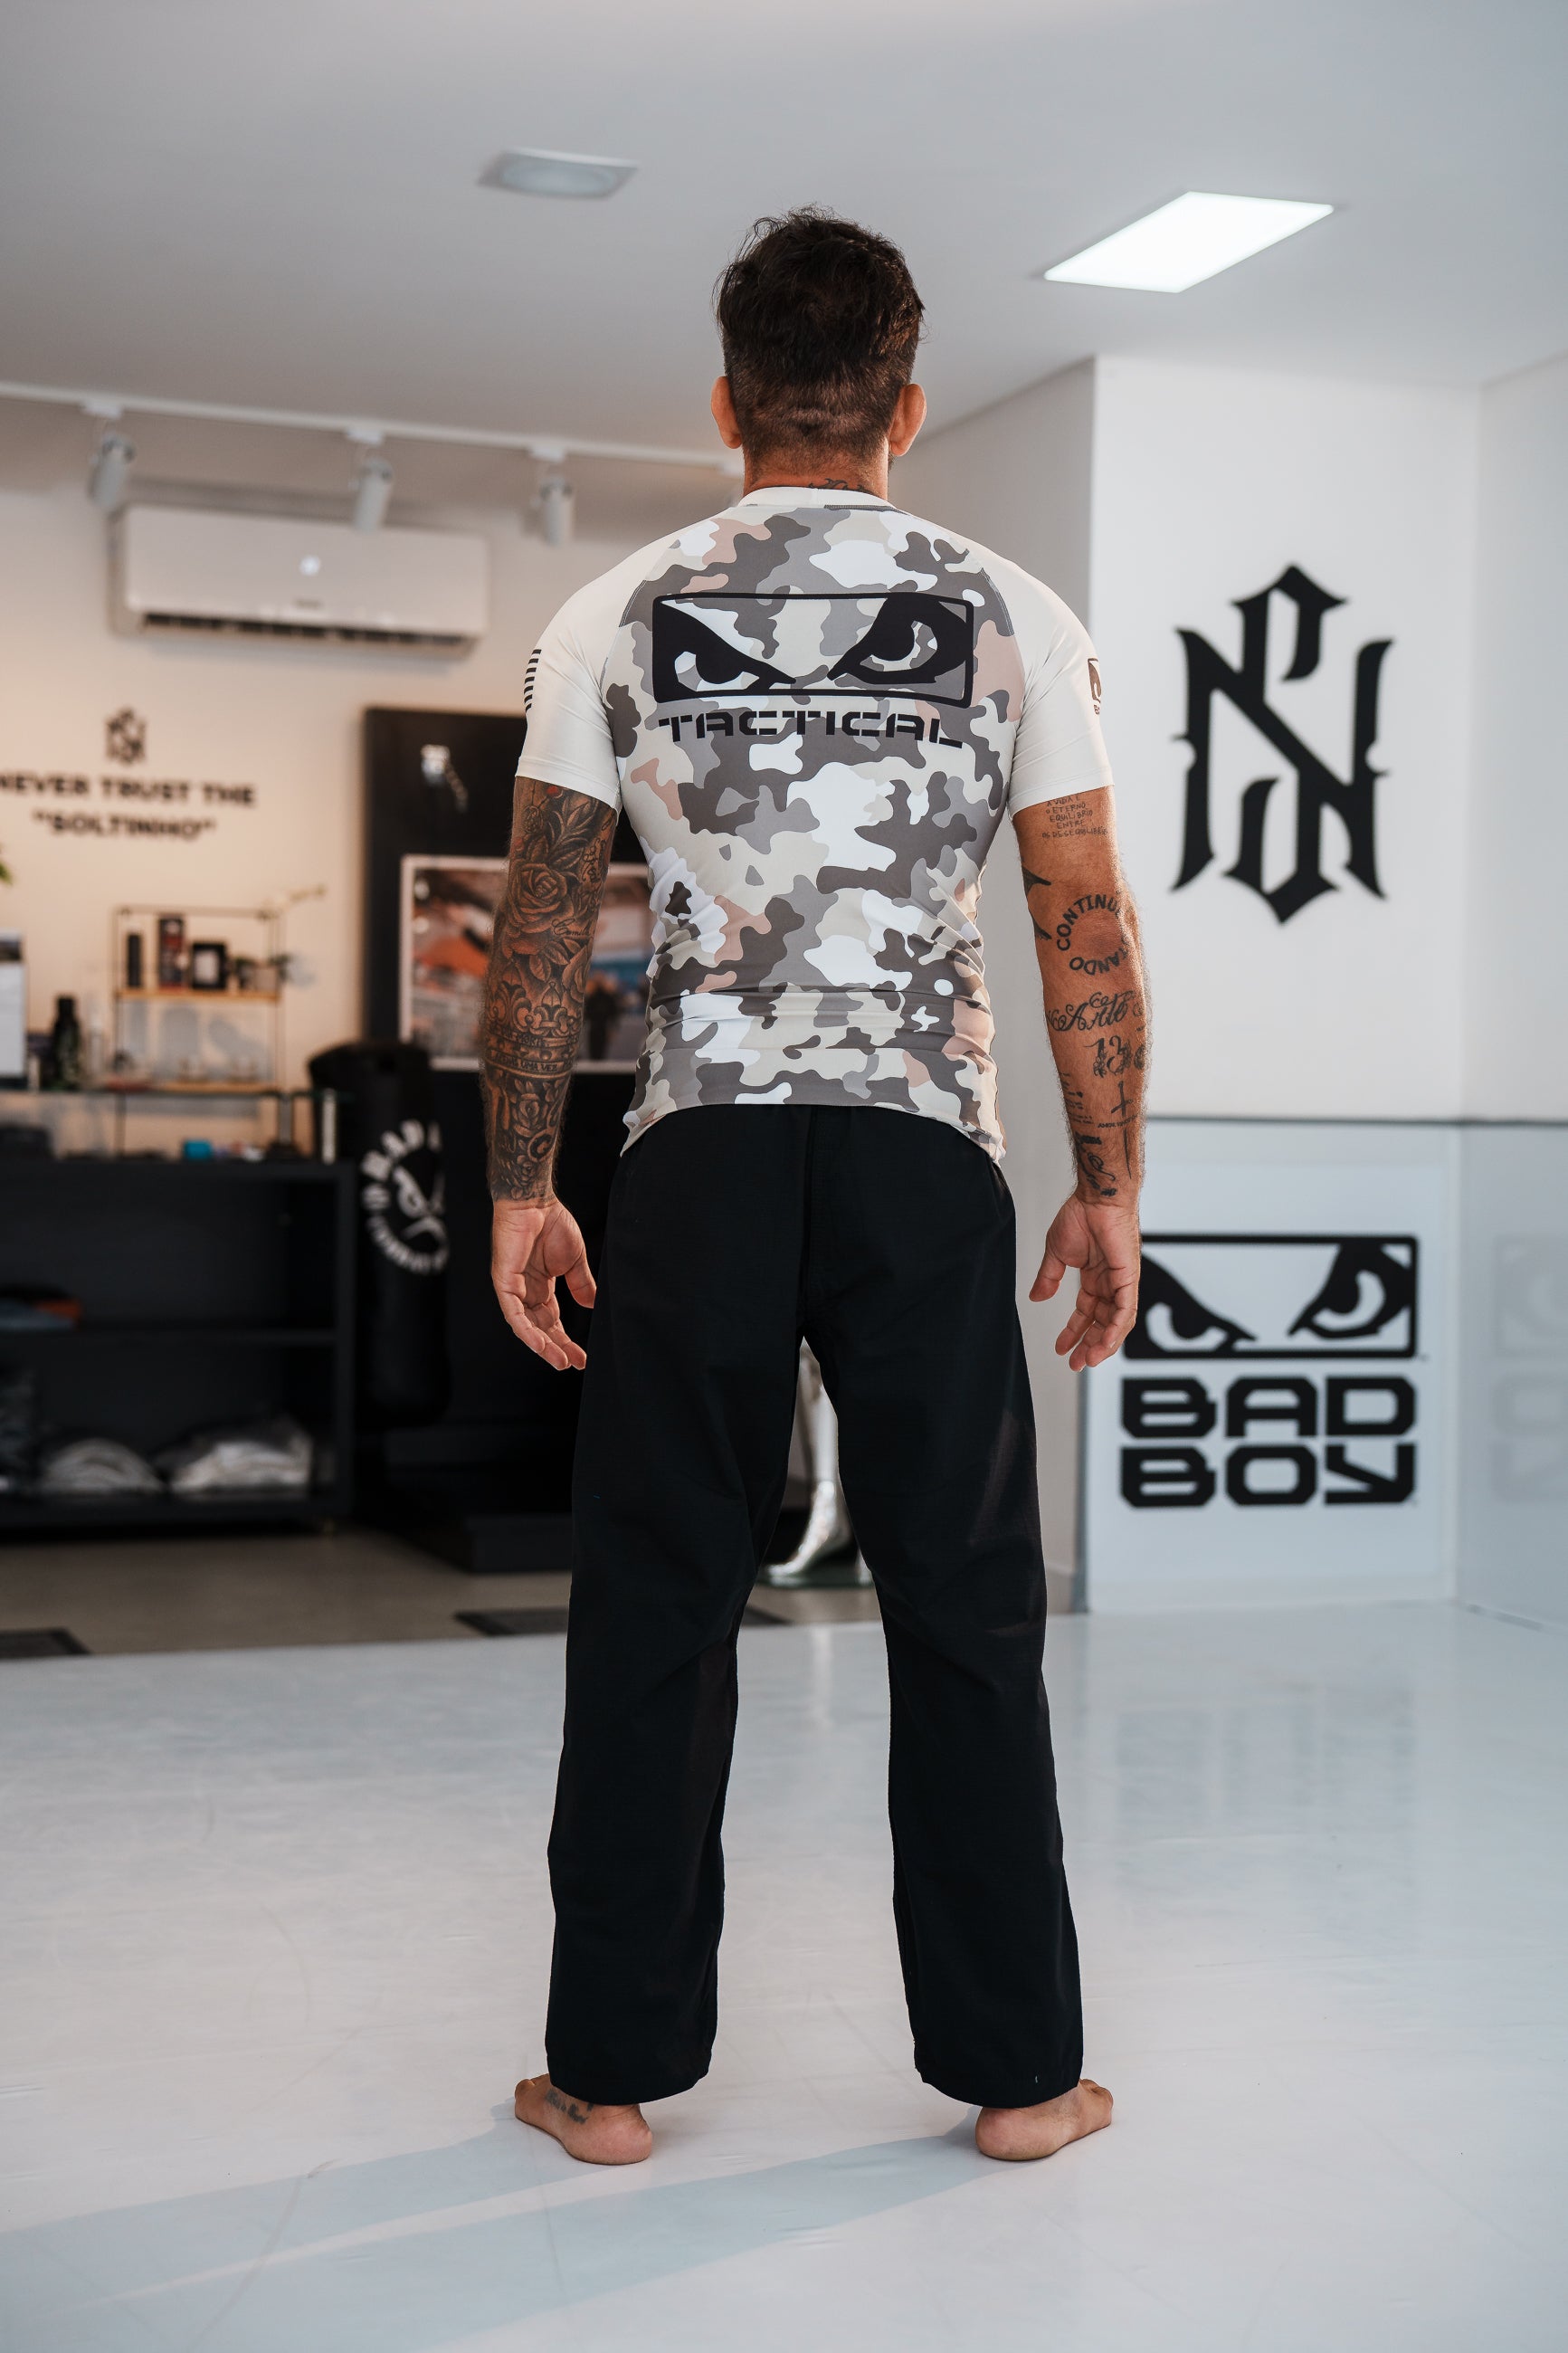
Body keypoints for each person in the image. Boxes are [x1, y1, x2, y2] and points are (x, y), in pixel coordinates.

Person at [480, 209, 1145, 2169]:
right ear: (904, 409)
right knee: (965, 1605)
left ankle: (606, 2079)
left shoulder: (615, 611)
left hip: (694, 1149)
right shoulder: (1013, 610)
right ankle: (1021, 2076)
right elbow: (1081, 915)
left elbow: (542, 923)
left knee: (655, 1602)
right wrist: (1107, 1183)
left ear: (727, 402)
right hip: (923, 1158)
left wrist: (521, 1184)